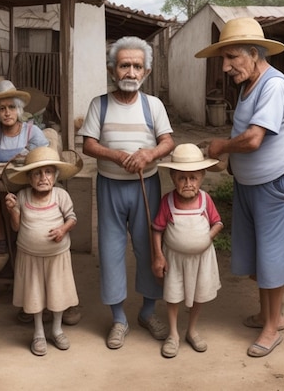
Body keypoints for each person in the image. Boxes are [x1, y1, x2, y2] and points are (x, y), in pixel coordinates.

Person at [200, 17, 284, 358]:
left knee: (271, 253)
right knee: (259, 253)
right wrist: (232, 163)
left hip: (273, 185)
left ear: (255, 53)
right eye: (224, 59)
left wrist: (220, 148)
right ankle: (267, 315)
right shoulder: (248, 86)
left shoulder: (274, 87)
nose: (226, 67)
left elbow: (254, 138)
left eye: (232, 58)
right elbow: (245, 132)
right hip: (250, 183)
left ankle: (273, 327)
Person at [78, 36, 175, 349]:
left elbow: (167, 141)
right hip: (110, 186)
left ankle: (148, 312)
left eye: (137, 66)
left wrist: (149, 155)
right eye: (124, 66)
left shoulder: (153, 105)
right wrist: (118, 156)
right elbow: (88, 144)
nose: (131, 72)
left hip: (146, 185)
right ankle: (118, 318)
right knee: (111, 251)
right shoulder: (100, 104)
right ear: (112, 70)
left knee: (149, 248)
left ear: (146, 72)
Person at [0, 80, 49, 309]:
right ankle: (1, 244)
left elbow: (46, 155)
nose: (7, 113)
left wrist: (28, 155)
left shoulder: (31, 131)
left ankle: (22, 247)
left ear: (19, 109)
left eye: (11, 107)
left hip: (25, 188)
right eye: (2, 108)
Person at [4, 147, 82, 356]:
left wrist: (63, 230)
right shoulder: (22, 196)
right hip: (30, 257)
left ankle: (56, 329)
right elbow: (16, 227)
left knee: (57, 293)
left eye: (48, 172)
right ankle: (38, 332)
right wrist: (13, 210)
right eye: (37, 173)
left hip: (57, 256)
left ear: (55, 176)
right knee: (35, 294)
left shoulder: (61, 195)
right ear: (29, 178)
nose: (43, 178)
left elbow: (72, 218)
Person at [151, 144, 223, 358]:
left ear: (202, 177)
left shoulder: (205, 200)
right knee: (173, 295)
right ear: (173, 178)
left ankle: (192, 329)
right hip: (174, 260)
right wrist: (158, 256)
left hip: (202, 259)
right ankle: (173, 334)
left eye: (193, 178)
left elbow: (218, 223)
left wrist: (206, 238)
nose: (188, 183)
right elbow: (157, 230)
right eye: (182, 178)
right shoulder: (168, 201)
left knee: (199, 293)